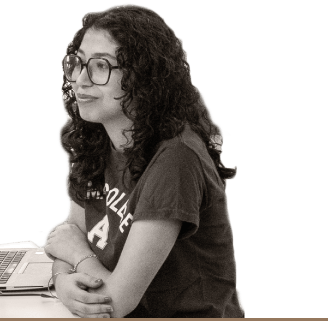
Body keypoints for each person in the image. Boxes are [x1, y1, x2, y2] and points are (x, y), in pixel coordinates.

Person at [44, 3, 242, 318]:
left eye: (101, 66)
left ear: (142, 77)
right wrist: (61, 280)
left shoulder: (176, 159)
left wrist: (78, 259)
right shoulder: (96, 138)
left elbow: (114, 302)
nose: (80, 79)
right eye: (77, 63)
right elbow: (71, 234)